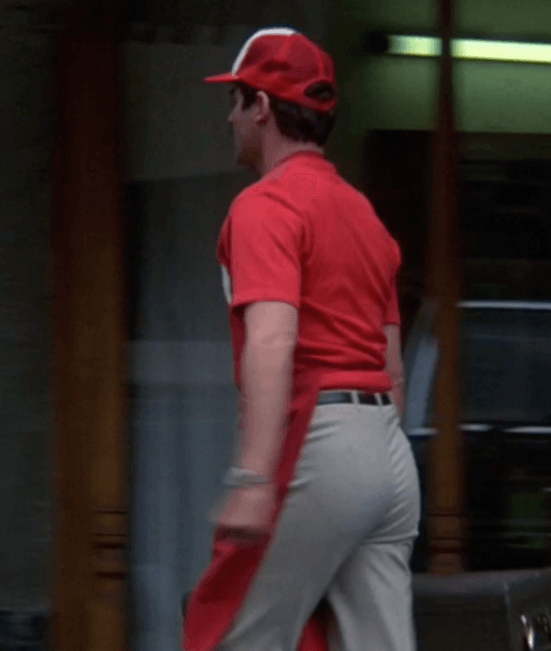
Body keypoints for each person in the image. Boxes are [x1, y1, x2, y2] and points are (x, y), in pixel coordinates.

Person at [181, 27, 421, 651]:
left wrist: (254, 478)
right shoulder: (364, 215)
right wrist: (372, 457)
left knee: (232, 635)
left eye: (235, 101)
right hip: (389, 455)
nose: (230, 119)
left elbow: (270, 341)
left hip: (321, 438)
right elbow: (392, 365)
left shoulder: (265, 206)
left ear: (261, 107)